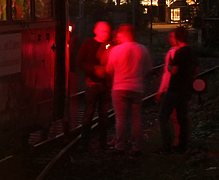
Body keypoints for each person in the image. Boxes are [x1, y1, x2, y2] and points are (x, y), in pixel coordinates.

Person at [105, 24, 152, 156]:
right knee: (136, 118)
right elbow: (148, 69)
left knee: (120, 119)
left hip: (119, 87)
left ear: (123, 34)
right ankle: (136, 146)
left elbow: (108, 69)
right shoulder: (143, 49)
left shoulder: (116, 50)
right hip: (137, 87)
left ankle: (120, 146)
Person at [157, 27, 198, 153]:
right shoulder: (191, 51)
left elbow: (174, 70)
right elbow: (196, 70)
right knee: (182, 118)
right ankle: (182, 146)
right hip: (186, 89)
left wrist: (169, 65)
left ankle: (166, 146)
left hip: (175, 89)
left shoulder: (180, 52)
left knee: (163, 116)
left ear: (177, 38)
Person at [77, 21, 112, 149]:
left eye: (107, 32)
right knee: (89, 114)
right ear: (96, 31)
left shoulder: (110, 45)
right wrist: (93, 69)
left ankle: (102, 142)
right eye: (103, 31)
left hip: (105, 84)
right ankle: (84, 142)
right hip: (92, 83)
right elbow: (80, 61)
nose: (105, 34)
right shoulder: (88, 44)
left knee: (103, 115)